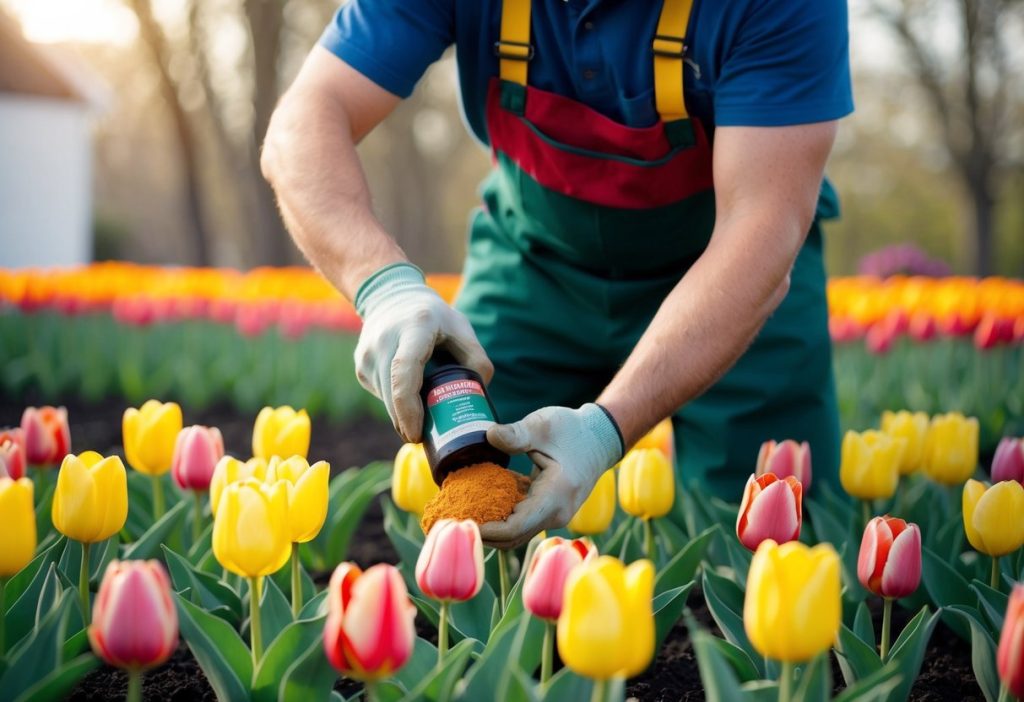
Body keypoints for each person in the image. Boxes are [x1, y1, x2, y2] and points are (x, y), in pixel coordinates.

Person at [261, 0, 853, 549]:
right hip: (535, 268)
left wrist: (605, 430)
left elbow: (761, 225)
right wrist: (382, 286)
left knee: (772, 545)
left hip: (732, 285)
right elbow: (305, 121)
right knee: (481, 517)